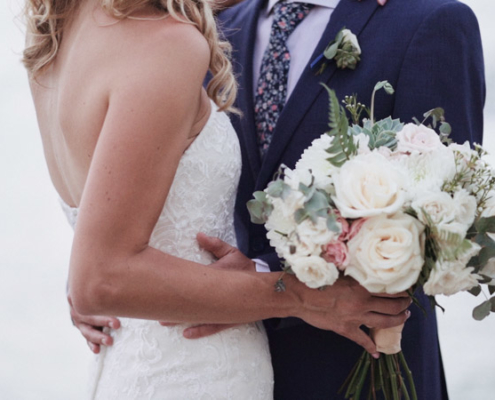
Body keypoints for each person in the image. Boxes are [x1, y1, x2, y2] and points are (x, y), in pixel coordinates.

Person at [24, 0, 412, 398]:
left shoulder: (54, 39)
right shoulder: (166, 43)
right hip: (198, 373)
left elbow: (100, 244)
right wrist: (299, 296)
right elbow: (102, 278)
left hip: (124, 366)